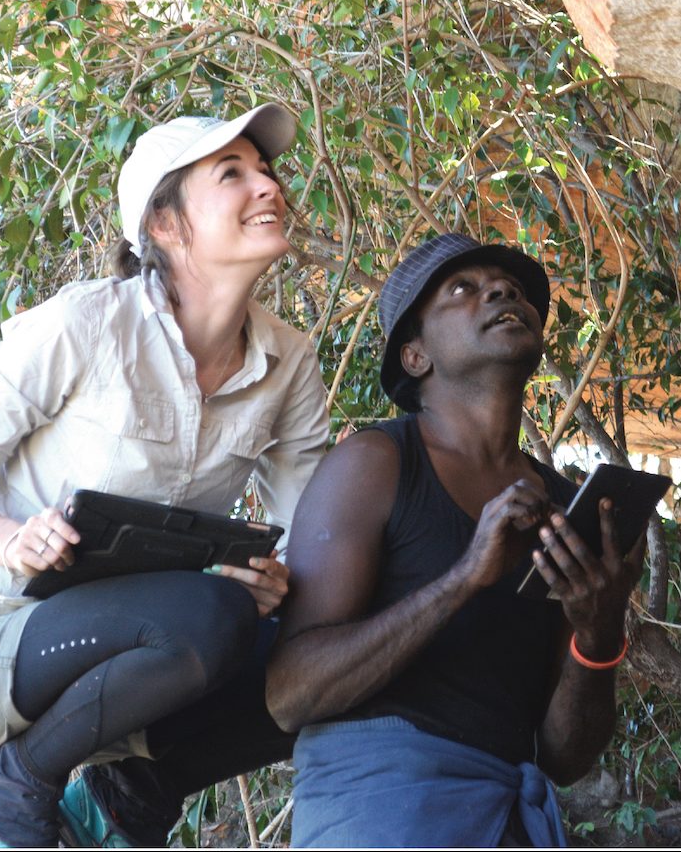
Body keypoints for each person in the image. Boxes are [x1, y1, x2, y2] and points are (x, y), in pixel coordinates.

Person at [0, 104, 331, 847]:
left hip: (142, 673)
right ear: (164, 225)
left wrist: (274, 581)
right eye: (232, 174)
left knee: (330, 662)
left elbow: (314, 532)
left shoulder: (288, 361)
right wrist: (13, 541)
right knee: (207, 614)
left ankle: (123, 797)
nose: (267, 186)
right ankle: (7, 785)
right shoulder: (83, 325)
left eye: (266, 170)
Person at [267, 233, 643, 847]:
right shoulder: (376, 463)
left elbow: (564, 759)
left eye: (514, 289)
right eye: (462, 289)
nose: (502, 291)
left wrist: (598, 635)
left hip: (507, 818)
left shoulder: (566, 506)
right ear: (414, 356)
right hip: (381, 810)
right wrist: (463, 577)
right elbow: (290, 695)